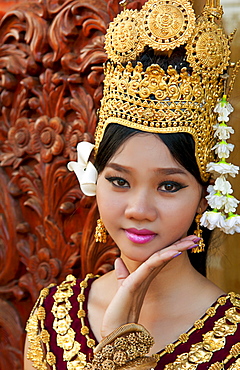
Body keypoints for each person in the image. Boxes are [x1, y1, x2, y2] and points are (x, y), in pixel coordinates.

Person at [24, 0, 240, 369]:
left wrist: (122, 352)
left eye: (169, 186)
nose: (139, 209)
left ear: (205, 198)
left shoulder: (233, 340)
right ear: (94, 180)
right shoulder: (52, 316)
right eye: (119, 181)